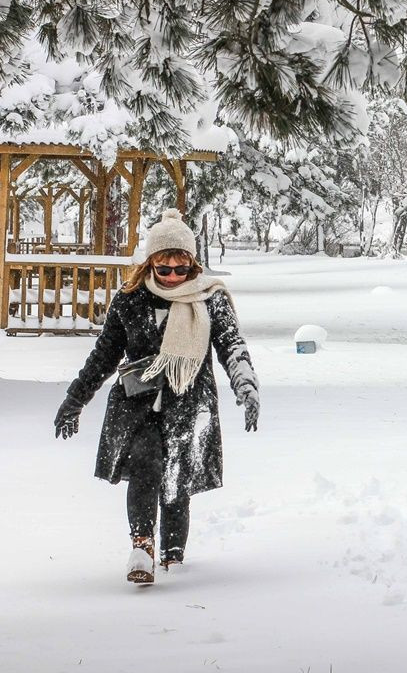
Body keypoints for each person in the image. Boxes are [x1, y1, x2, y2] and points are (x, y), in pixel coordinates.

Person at [54, 209, 259, 584]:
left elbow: (232, 345)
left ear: (193, 266)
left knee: (178, 477)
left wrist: (245, 385)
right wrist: (75, 399)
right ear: (150, 263)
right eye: (164, 269)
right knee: (146, 468)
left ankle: (173, 556)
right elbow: (104, 354)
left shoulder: (210, 299)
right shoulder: (131, 298)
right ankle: (142, 546)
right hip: (137, 403)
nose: (172, 277)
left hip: (189, 400)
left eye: (181, 269)